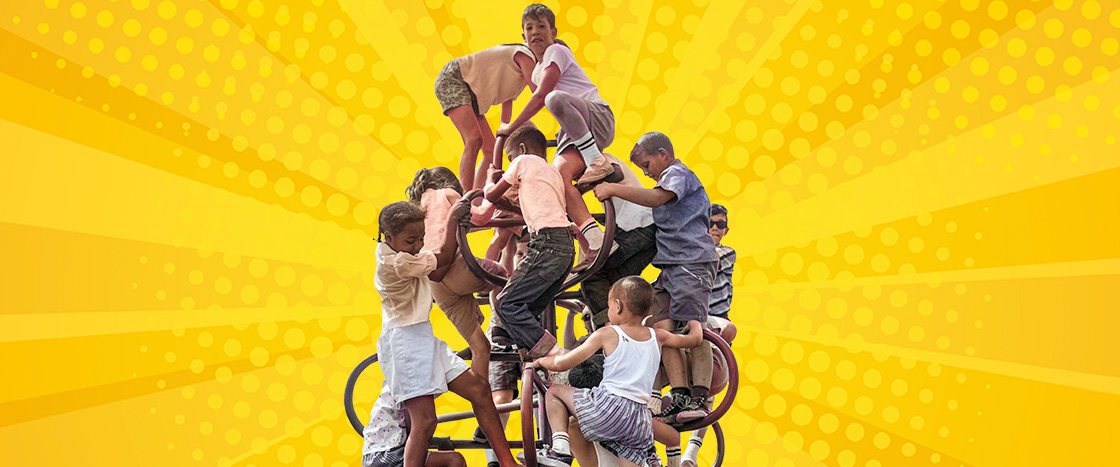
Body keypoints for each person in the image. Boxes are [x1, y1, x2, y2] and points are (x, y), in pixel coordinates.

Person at [374, 201, 519, 467]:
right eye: (410, 240)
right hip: (404, 343)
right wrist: (452, 219)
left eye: (421, 238)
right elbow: (441, 261)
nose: (418, 246)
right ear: (389, 237)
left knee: (480, 390)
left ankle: (507, 462)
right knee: (425, 420)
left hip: (421, 337)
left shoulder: (400, 251)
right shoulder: (397, 262)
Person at [593, 132, 718, 424]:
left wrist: (613, 188)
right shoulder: (664, 178)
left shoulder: (678, 174)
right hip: (670, 266)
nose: (646, 173)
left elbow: (657, 198)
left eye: (647, 165)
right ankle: (680, 394)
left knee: (691, 326)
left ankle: (700, 398)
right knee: (661, 329)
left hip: (692, 261)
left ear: (663, 153)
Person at [530, 276, 703, 467]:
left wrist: (541, 361)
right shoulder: (658, 336)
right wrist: (694, 319)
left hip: (608, 409)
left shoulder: (608, 333)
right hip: (639, 421)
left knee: (554, 392)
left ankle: (561, 449)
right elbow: (694, 340)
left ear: (618, 306)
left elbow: (562, 363)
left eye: (609, 306)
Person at [496, 3, 616, 266]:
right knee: (558, 179)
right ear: (524, 36)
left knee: (554, 98)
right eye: (529, 28)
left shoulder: (557, 51)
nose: (535, 32)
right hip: (574, 134)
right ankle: (593, 241)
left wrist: (510, 126)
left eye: (541, 26)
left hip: (595, 117)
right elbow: (522, 93)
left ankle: (598, 161)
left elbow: (540, 98)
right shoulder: (537, 69)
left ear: (553, 32)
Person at [479, 125, 573, 359]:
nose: (512, 162)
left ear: (521, 150)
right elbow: (522, 206)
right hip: (565, 247)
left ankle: (555, 356)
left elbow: (491, 196)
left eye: (510, 157)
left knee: (505, 304)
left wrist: (491, 181)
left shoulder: (522, 162)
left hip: (547, 243)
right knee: (526, 311)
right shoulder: (551, 173)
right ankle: (534, 360)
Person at [406, 167, 505, 382]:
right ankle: (503, 324)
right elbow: (482, 217)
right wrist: (490, 186)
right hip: (459, 267)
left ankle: (481, 400)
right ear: (447, 183)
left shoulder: (416, 210)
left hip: (435, 283)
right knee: (503, 276)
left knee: (480, 348)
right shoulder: (447, 194)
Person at [435, 43, 537, 191]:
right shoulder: (525, 54)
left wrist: (505, 129)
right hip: (457, 78)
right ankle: (463, 197)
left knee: (491, 151)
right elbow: (540, 93)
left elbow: (507, 100)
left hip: (474, 97)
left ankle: (476, 200)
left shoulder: (519, 78)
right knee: (474, 139)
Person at [579, 154, 656, 328]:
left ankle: (609, 330)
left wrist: (575, 191)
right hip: (649, 230)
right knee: (618, 285)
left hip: (634, 227)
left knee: (591, 273)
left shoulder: (597, 158)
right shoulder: (600, 161)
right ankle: (629, 330)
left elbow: (615, 173)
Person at [361, 382, 467, 467]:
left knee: (444, 456)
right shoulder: (410, 384)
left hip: (375, 454)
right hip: (385, 455)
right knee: (454, 460)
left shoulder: (398, 383)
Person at [707, 204, 736, 320]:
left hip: (719, 316)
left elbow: (709, 258)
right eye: (709, 223)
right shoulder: (692, 251)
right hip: (695, 315)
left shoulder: (728, 253)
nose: (714, 228)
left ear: (726, 230)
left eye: (720, 224)